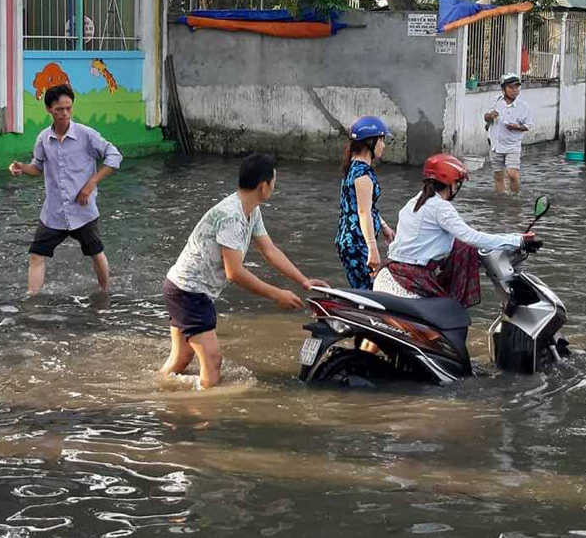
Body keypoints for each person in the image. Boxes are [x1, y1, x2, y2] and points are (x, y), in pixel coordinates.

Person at [160, 153, 329, 389]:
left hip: (182, 287)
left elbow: (269, 250)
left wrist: (303, 281)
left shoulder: (251, 210)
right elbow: (234, 273)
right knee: (213, 361)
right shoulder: (231, 216)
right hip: (189, 290)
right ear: (263, 186)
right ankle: (202, 417)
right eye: (274, 182)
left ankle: (156, 393)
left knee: (182, 358)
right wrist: (276, 294)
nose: (274, 186)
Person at [372, 154, 538, 304]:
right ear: (452, 184)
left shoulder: (415, 202)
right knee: (453, 318)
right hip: (410, 281)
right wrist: (518, 240)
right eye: (458, 184)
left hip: (391, 273)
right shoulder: (440, 207)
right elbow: (472, 237)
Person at [9, 84, 122, 295]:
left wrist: (91, 184)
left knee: (96, 253)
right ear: (48, 110)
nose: (65, 114)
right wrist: (21, 168)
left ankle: (105, 294)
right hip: (54, 212)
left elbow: (114, 156)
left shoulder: (86, 135)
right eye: (59, 109)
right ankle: (32, 300)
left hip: (83, 211)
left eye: (69, 108)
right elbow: (38, 167)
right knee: (36, 255)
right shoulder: (44, 138)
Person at [335, 116, 395, 290]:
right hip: (357, 242)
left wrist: (382, 226)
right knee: (371, 290)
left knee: (366, 288)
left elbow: (361, 205)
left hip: (350, 240)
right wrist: (372, 248)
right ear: (370, 142)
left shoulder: (353, 167)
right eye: (381, 140)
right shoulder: (363, 174)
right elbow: (363, 212)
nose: (383, 145)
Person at [484, 73, 533, 194]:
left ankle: (515, 198)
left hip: (512, 145)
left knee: (512, 174)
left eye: (516, 87)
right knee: (498, 175)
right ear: (503, 89)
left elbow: (528, 126)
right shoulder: (495, 101)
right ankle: (502, 200)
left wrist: (516, 127)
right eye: (511, 87)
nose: (514, 90)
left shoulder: (523, 106)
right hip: (496, 144)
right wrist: (490, 116)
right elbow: (486, 117)